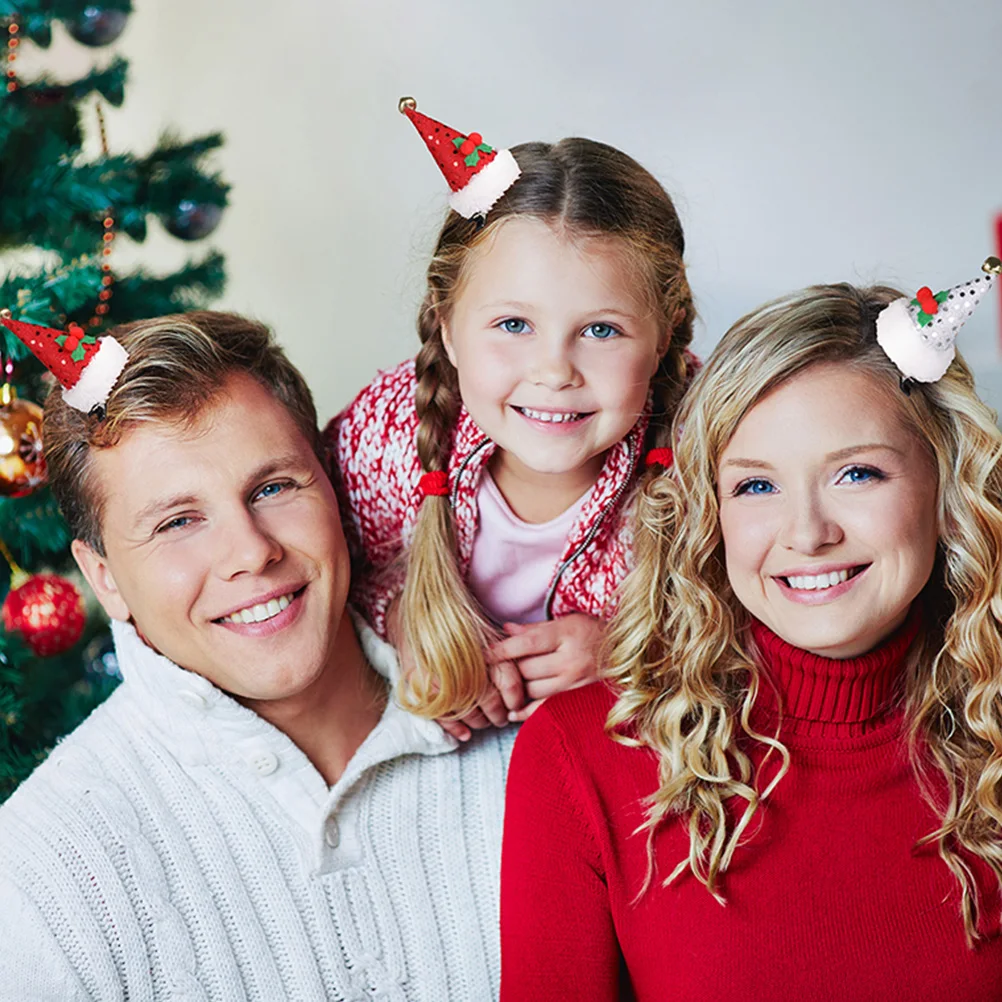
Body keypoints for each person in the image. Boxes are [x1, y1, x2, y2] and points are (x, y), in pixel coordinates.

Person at [501, 265, 1002, 1000]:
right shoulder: (584, 760)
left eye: (857, 474)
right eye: (756, 486)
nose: (808, 533)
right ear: (712, 517)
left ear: (946, 491)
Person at [0, 311, 515, 1001]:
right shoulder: (45, 874)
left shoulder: (521, 726)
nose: (251, 552)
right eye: (177, 522)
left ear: (332, 485)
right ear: (104, 578)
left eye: (273, 488)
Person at [329, 100, 696, 739]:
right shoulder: (383, 436)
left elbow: (761, 614)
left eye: (601, 330)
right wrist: (400, 633)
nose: (554, 372)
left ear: (662, 337)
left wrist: (628, 649)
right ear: (446, 324)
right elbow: (316, 570)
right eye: (513, 325)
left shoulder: (710, 450)